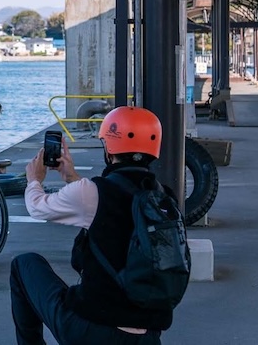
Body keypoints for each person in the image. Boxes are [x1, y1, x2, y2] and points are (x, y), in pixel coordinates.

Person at [10, 106, 172, 344]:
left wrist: (34, 179)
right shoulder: (165, 200)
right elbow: (109, 206)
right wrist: (70, 177)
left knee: (24, 264)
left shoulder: (92, 192)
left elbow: (38, 207)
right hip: (148, 334)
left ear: (109, 148)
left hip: (93, 330)